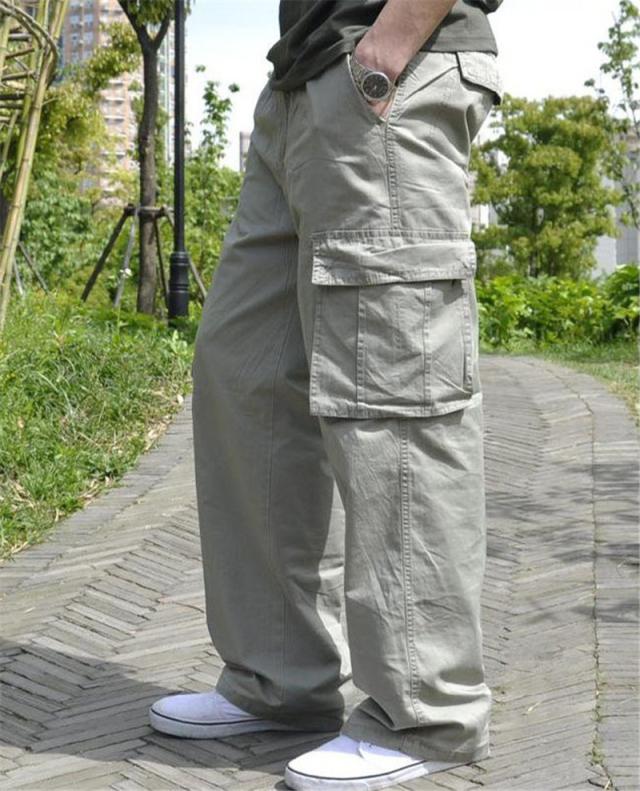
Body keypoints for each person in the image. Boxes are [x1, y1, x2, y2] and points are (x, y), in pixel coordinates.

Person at [150, 1, 504, 789]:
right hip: (301, 81)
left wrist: (390, 44)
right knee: (246, 374)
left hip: (386, 73)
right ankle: (279, 676)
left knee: (394, 391)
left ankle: (427, 711)